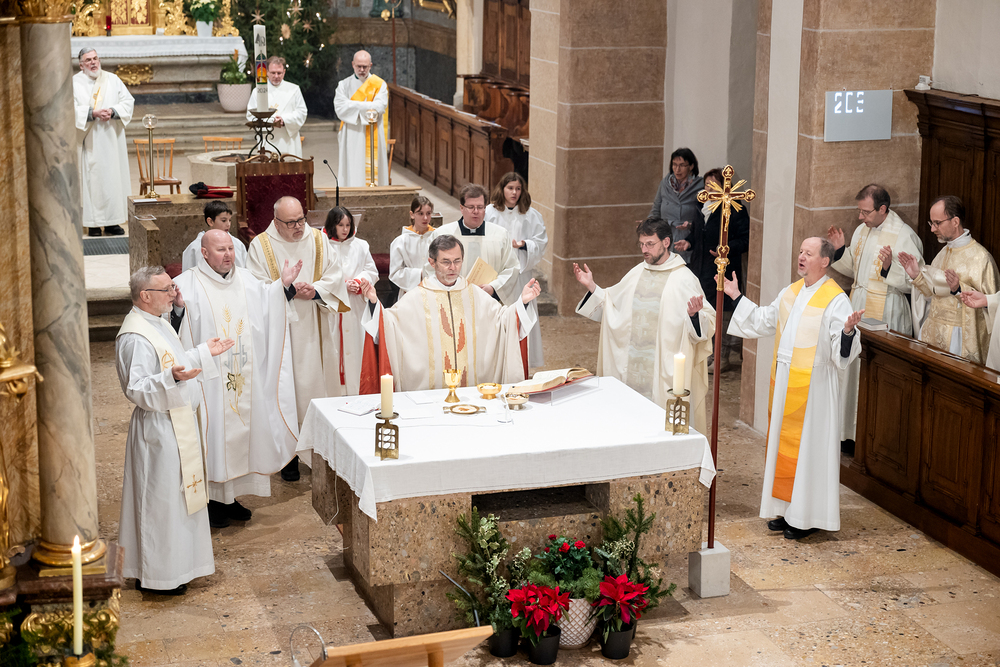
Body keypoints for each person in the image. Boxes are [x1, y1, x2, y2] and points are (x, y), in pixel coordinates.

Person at [719, 237, 863, 540]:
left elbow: (842, 349)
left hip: (815, 389)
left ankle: (807, 517)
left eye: (808, 253)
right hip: (787, 383)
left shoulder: (836, 299)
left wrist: (848, 332)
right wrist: (736, 296)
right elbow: (763, 320)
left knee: (809, 450)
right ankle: (787, 510)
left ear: (825, 261)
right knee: (785, 449)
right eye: (800, 251)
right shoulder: (791, 292)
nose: (801, 256)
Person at [116, 266, 234, 594]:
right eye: (167, 289)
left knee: (178, 500)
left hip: (175, 422)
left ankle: (177, 568)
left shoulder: (156, 322)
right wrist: (171, 379)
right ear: (145, 296)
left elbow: (173, 361)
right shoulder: (135, 336)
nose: (174, 293)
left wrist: (202, 352)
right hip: (157, 429)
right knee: (160, 503)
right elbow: (136, 387)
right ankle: (157, 578)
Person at [174, 230, 301, 529]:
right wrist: (178, 308)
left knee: (240, 434)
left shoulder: (246, 280)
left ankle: (229, 498)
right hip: (208, 382)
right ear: (204, 253)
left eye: (230, 248)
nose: (228, 254)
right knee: (214, 436)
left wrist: (282, 285)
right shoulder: (186, 285)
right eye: (220, 250)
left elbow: (269, 302)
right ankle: (211, 502)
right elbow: (172, 328)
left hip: (242, 375)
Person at [574, 218, 715, 434]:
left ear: (666, 242)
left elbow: (708, 320)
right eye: (641, 244)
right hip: (631, 370)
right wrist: (592, 287)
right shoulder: (637, 272)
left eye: (650, 244)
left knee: (658, 427)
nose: (644, 250)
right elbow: (612, 305)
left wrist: (694, 316)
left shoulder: (684, 278)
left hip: (663, 371)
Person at [247, 196, 351, 480]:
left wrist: (316, 291)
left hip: (315, 330)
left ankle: (321, 451)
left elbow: (335, 275)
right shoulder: (260, 246)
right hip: (280, 333)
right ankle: (288, 457)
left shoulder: (318, 240)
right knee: (286, 391)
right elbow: (254, 289)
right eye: (290, 222)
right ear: (276, 221)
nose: (298, 227)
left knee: (316, 388)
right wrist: (288, 289)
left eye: (301, 220)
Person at [360, 235, 540, 391]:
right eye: (446, 262)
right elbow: (389, 324)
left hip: (471, 393)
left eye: (457, 261)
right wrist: (375, 302)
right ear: (432, 262)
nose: (453, 267)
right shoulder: (417, 297)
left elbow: (503, 321)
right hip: (430, 395)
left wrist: (522, 303)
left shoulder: (474, 293)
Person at [827, 183, 924, 453]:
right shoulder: (863, 230)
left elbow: (916, 282)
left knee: (876, 374)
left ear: (883, 209)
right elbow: (856, 270)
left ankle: (873, 437)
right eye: (860, 211)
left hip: (888, 310)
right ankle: (849, 434)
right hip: (859, 305)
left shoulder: (904, 236)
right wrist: (840, 250)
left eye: (866, 212)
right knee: (852, 371)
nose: (860, 217)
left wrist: (889, 268)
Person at [899, 195, 1000, 364]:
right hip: (932, 333)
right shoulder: (942, 253)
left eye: (937, 223)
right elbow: (932, 296)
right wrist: (917, 276)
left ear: (955, 221)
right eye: (931, 223)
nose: (933, 229)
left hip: (958, 339)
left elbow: (991, 311)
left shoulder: (981, 259)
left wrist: (958, 289)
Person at [689, 167, 751, 374]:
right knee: (706, 309)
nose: (708, 189)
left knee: (722, 312)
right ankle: (709, 352)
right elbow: (697, 235)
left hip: (723, 268)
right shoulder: (702, 206)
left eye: (713, 185)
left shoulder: (735, 208)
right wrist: (687, 243)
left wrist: (725, 249)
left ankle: (722, 356)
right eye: (706, 184)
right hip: (702, 268)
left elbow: (746, 239)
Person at [485, 172, 549, 368]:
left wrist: (524, 244)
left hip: (521, 276)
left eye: (518, 189)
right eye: (510, 188)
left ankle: (522, 362)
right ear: (502, 189)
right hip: (497, 275)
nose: (514, 192)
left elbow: (541, 242)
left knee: (522, 317)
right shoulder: (490, 212)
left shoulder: (531, 214)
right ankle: (496, 362)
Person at [425, 184, 521, 305]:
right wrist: (450, 288)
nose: (476, 212)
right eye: (471, 207)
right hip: (452, 302)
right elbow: (430, 268)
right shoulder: (442, 234)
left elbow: (512, 268)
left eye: (480, 207)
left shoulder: (500, 235)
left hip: (488, 303)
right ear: (461, 208)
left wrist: (493, 287)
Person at [73, 48, 133, 237]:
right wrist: (92, 113)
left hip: (111, 140)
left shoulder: (112, 79)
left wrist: (113, 111)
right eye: (88, 60)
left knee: (112, 180)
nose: (93, 62)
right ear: (81, 65)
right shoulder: (74, 83)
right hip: (89, 141)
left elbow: (127, 101)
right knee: (91, 181)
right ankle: (93, 224)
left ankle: (112, 222)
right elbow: (68, 109)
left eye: (95, 58)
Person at [325, 207, 378, 396]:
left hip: (355, 306)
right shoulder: (324, 246)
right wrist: (342, 285)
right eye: (341, 225)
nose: (345, 229)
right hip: (333, 307)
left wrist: (359, 281)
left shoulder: (361, 245)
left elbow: (372, 271)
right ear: (332, 225)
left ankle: (356, 391)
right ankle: (336, 393)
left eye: (348, 225)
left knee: (356, 348)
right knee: (334, 348)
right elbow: (319, 276)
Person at [334, 50, 388, 186]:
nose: (362, 70)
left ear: (371, 65)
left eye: (365, 66)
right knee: (353, 167)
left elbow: (379, 107)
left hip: (373, 131)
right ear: (353, 64)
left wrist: (352, 105)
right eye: (359, 66)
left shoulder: (379, 84)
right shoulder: (344, 85)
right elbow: (340, 108)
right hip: (351, 133)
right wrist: (368, 106)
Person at [245, 56, 308, 158]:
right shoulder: (258, 91)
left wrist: (284, 119)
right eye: (273, 73)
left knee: (289, 165)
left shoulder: (294, 89)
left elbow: (302, 112)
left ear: (284, 72)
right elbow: (250, 114)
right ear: (267, 72)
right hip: (267, 139)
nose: (276, 76)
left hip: (289, 139)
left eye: (279, 73)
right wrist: (271, 121)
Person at [649, 148, 704, 263]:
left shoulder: (701, 185)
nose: (677, 169)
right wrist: (648, 225)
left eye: (682, 165)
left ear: (691, 166)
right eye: (674, 165)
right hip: (666, 235)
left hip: (689, 238)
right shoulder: (665, 183)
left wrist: (691, 225)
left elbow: (705, 215)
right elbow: (656, 208)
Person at [389, 196, 435, 298]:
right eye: (420, 213)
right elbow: (395, 273)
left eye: (428, 213)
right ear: (412, 214)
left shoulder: (437, 237)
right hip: (409, 293)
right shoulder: (400, 242)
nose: (425, 218)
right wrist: (420, 274)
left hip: (434, 290)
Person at [182, 201, 248, 272]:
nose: (228, 224)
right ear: (210, 221)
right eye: (224, 220)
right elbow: (188, 274)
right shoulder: (195, 247)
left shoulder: (238, 244)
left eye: (230, 220)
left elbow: (244, 272)